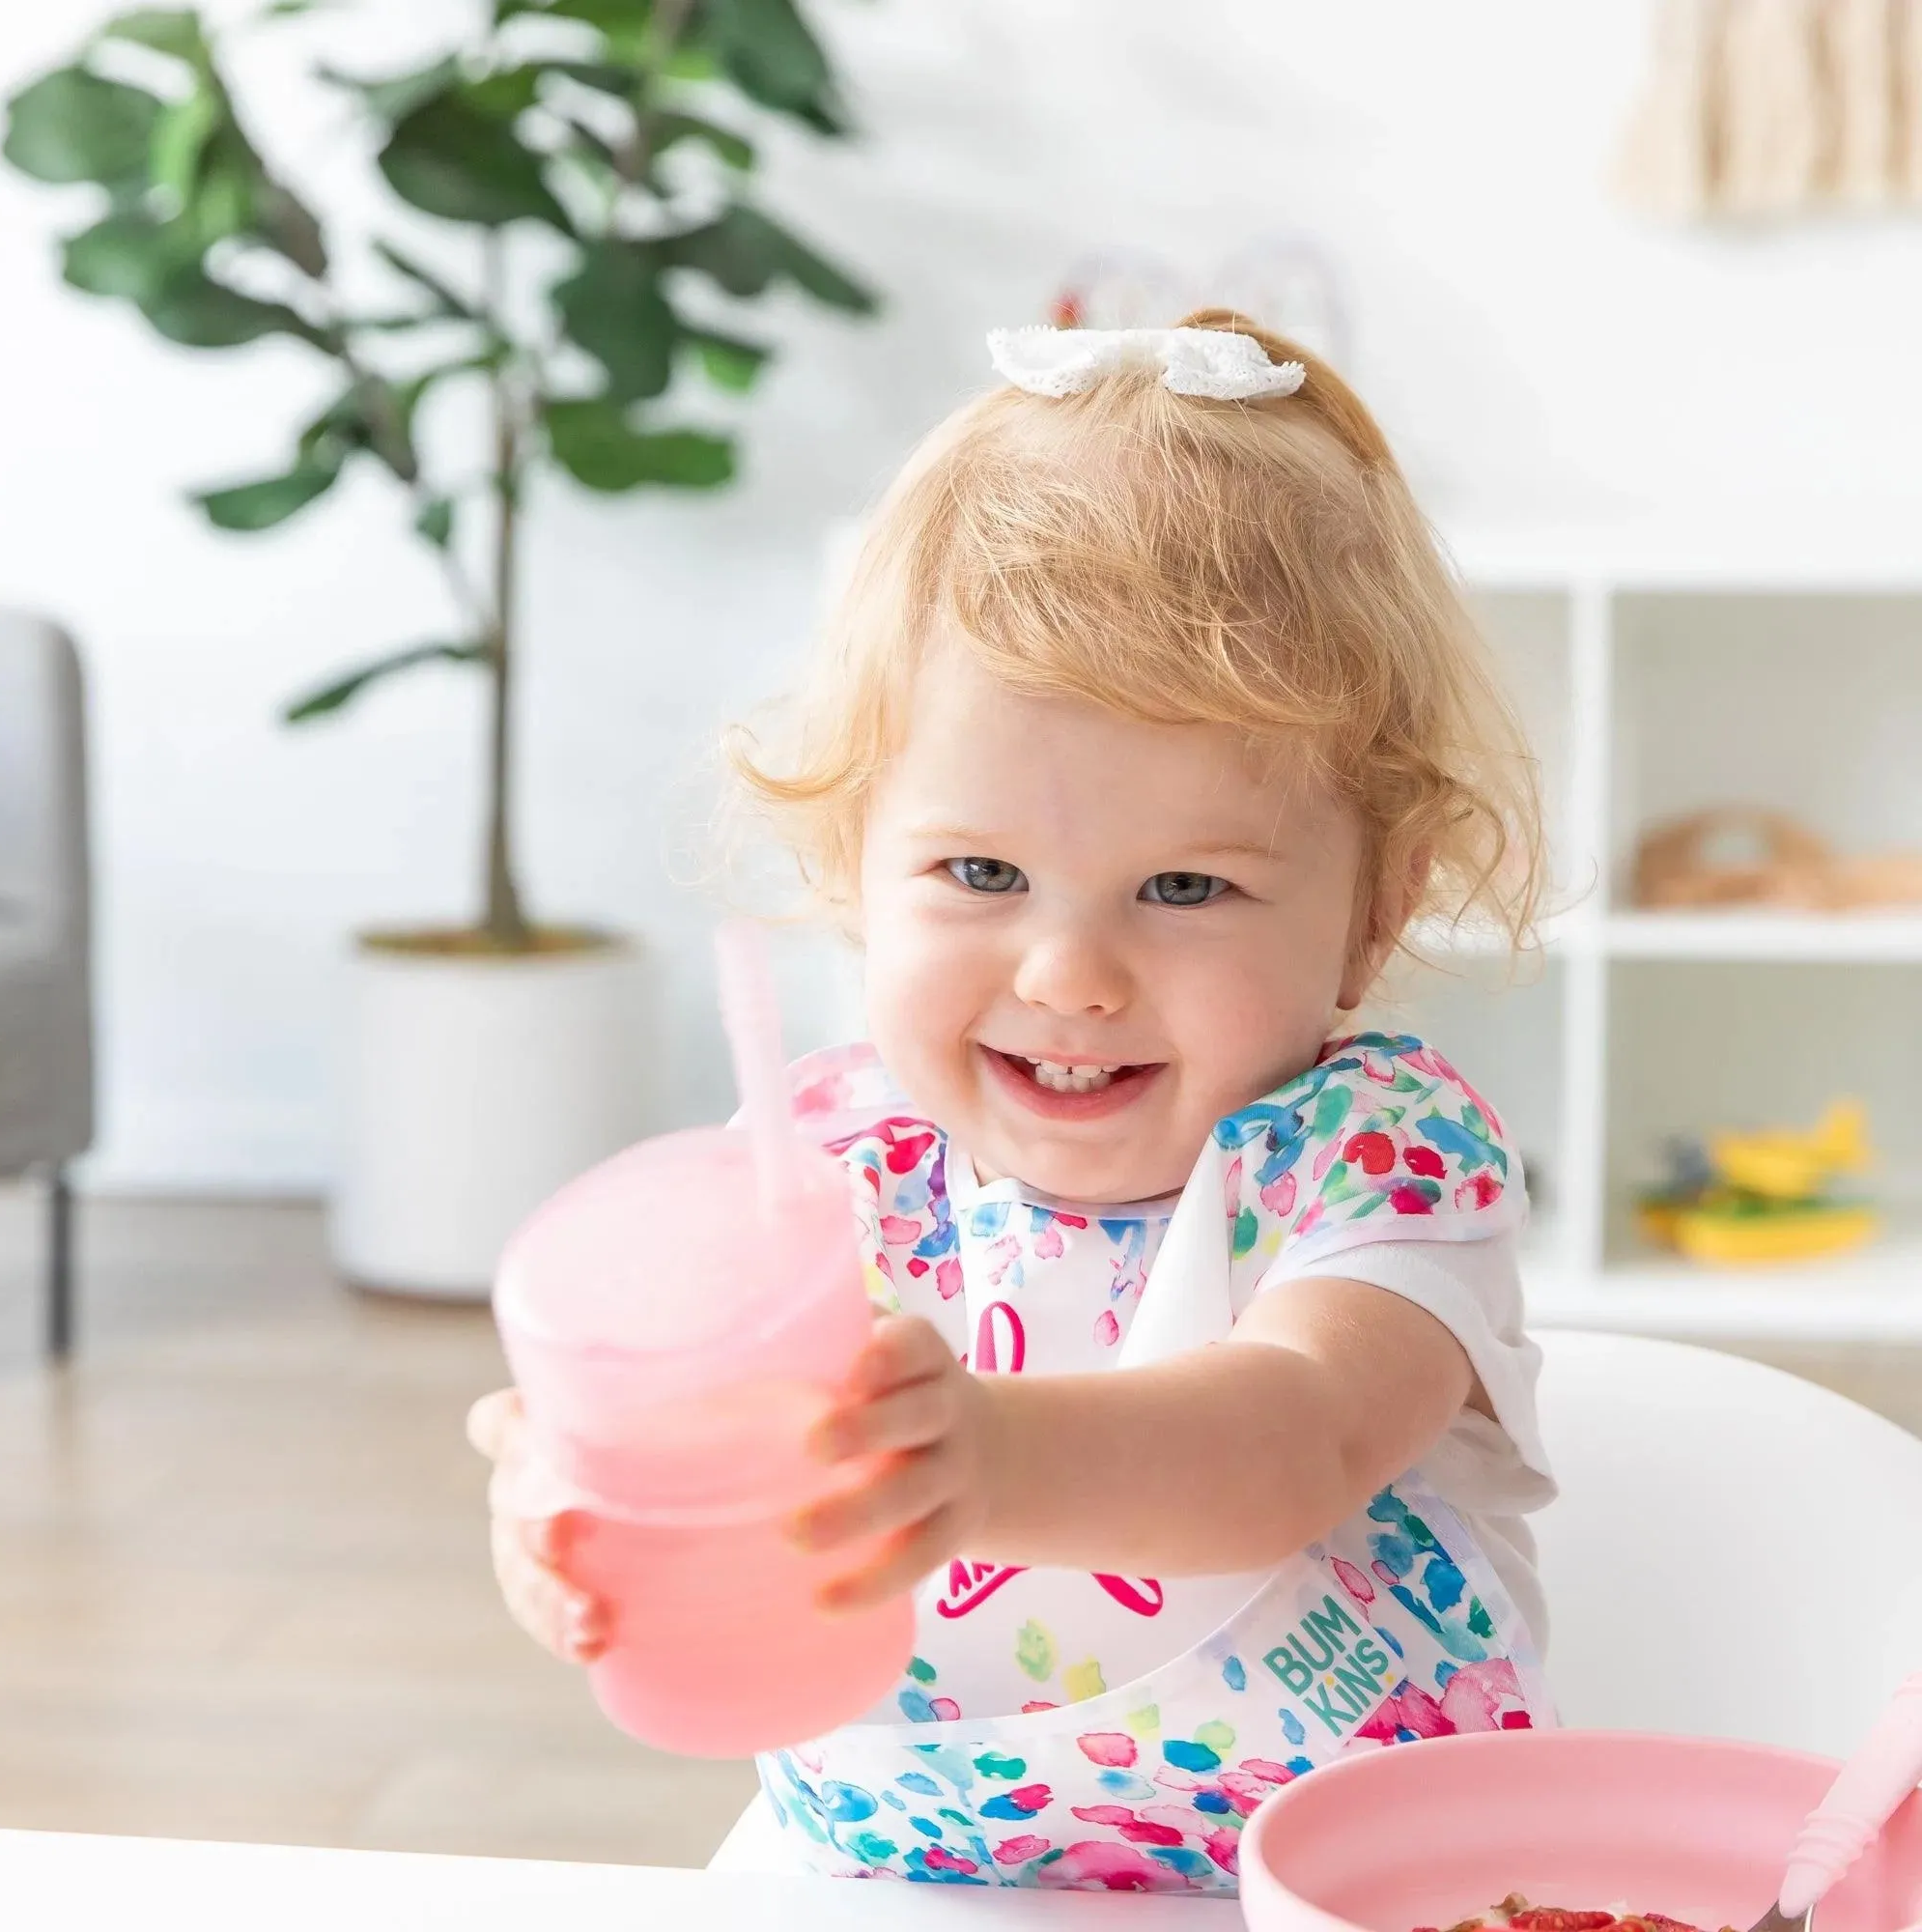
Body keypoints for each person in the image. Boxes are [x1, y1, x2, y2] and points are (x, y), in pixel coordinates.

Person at [468, 311, 1558, 1892]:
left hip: (1355, 1885)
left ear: (1374, 915)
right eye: (980, 872)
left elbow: (1296, 1441)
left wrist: (986, 1455)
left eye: (1184, 885)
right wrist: (571, 1522)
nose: (1070, 974)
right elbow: (708, 1485)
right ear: (857, 861)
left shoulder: (1377, 1157)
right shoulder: (825, 1166)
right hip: (890, 1873)